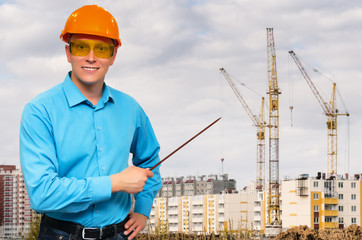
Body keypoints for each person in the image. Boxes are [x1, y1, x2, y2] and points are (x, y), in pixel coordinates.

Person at [20, 5, 162, 240]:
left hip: (118, 233)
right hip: (59, 234)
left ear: (113, 56)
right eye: (81, 47)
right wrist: (114, 183)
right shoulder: (39, 111)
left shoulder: (130, 108)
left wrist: (143, 210)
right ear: (68, 52)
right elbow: (42, 194)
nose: (91, 57)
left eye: (102, 49)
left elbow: (150, 160)